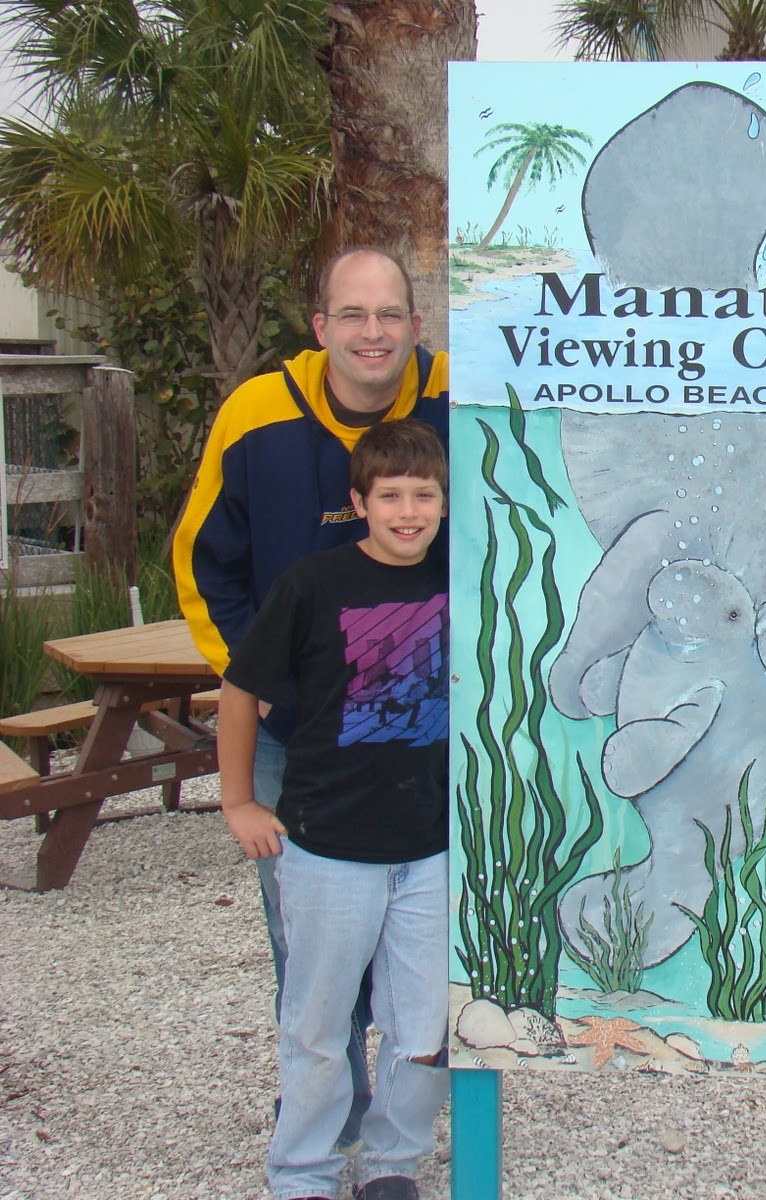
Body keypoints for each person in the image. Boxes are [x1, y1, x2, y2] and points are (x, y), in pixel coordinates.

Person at [173, 247, 449, 1143]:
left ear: (415, 325)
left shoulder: (456, 400)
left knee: (415, 947)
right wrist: (269, 692)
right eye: (353, 316)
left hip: (423, 740)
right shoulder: (257, 413)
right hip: (300, 737)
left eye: (392, 316)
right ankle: (322, 1113)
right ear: (321, 327)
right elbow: (200, 559)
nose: (375, 334)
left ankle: (394, 1135)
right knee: (311, 950)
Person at [219, 419, 450, 1200]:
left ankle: (391, 1162)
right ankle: (304, 1171)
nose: (409, 511)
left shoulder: (463, 577)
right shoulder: (312, 585)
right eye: (392, 496)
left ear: (446, 503)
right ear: (360, 502)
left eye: (425, 495)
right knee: (319, 1025)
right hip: (326, 848)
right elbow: (240, 691)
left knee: (423, 1028)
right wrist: (241, 801)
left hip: (430, 850)